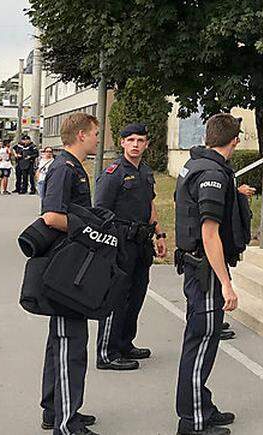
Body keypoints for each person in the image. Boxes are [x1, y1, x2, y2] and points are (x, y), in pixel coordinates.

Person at [174, 114, 247, 435]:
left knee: (202, 340)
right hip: (204, 271)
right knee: (201, 342)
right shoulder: (212, 174)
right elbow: (209, 233)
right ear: (235, 140)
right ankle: (192, 421)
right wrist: (227, 284)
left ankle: (201, 404)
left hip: (195, 266)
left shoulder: (197, 165)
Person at [36, 113, 102, 434]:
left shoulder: (72, 167)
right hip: (65, 269)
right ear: (80, 135)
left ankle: (54, 410)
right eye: (94, 134)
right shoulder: (64, 168)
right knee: (70, 344)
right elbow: (51, 216)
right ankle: (66, 421)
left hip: (69, 266)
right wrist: (87, 227)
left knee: (61, 341)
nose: (97, 139)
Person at [93, 123, 166, 371]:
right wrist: (110, 244)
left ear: (147, 143)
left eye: (140, 140)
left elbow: (150, 204)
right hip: (121, 241)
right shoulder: (113, 173)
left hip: (141, 242)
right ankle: (107, 352)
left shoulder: (145, 171)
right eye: (130, 140)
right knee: (117, 297)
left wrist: (159, 233)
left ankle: (125, 343)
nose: (135, 144)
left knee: (136, 294)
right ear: (122, 142)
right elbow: (100, 210)